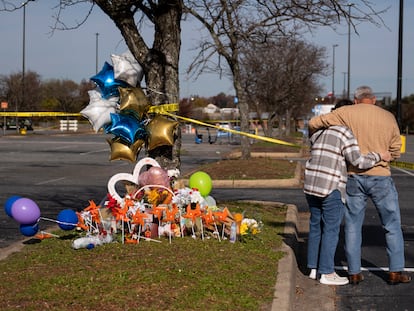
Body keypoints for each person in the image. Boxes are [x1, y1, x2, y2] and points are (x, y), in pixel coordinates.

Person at [308, 86, 411, 285]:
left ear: (356, 100)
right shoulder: (388, 117)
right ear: (373, 100)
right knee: (391, 225)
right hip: (381, 176)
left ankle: (354, 272)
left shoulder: (346, 113)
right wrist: (383, 155)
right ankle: (395, 271)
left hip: (353, 176)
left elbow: (314, 122)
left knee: (353, 225)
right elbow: (396, 150)